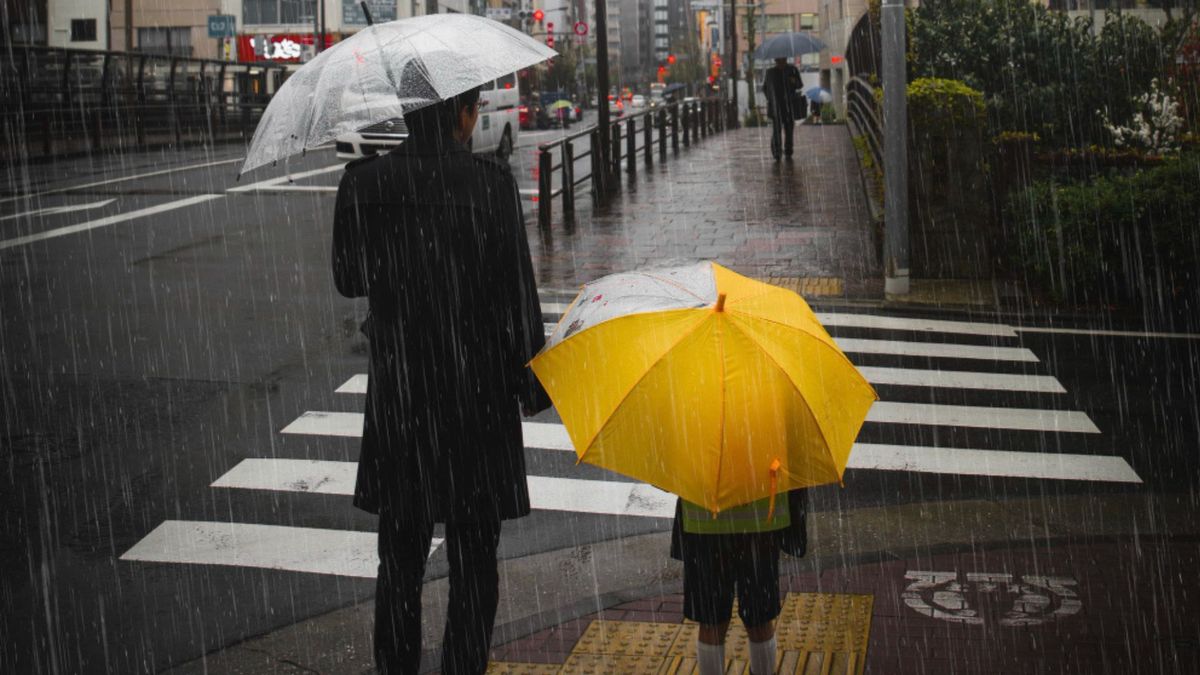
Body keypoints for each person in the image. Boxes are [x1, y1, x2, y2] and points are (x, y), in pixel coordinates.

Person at [332, 75, 550, 675]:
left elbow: (349, 279)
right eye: (475, 106)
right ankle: (462, 665)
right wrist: (529, 381)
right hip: (475, 397)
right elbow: (517, 298)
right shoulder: (490, 186)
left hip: (403, 397)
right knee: (475, 558)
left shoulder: (364, 183)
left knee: (399, 560)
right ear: (460, 113)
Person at [670, 489, 809, 675]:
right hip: (761, 523)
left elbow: (670, 478)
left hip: (704, 522)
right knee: (760, 617)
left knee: (711, 622)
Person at [762, 57, 803, 160]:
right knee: (777, 129)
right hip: (776, 106)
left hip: (789, 105)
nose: (781, 63)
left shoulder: (792, 70)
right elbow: (765, 88)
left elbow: (800, 85)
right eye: (779, 61)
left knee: (789, 129)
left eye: (783, 60)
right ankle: (777, 151)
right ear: (776, 61)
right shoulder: (770, 72)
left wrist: (794, 81)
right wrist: (771, 99)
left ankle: (788, 150)